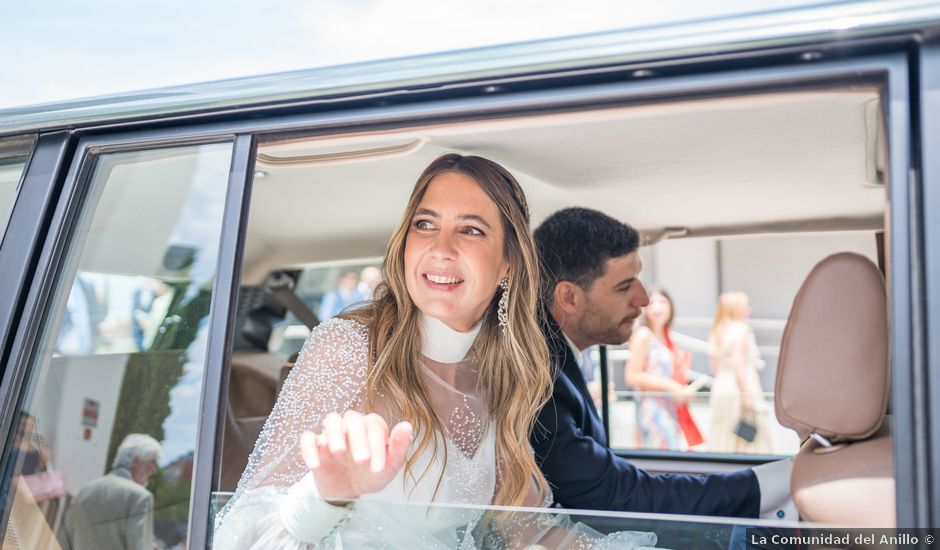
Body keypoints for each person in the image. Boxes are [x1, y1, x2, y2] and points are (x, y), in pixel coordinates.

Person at [214, 155, 657, 549]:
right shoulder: (347, 348)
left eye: (471, 229)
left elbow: (528, 532)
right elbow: (239, 536)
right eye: (425, 224)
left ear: (508, 264)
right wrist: (324, 495)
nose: (441, 248)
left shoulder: (505, 373)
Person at [531, 207, 793, 519]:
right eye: (625, 285)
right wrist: (781, 480)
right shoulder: (540, 382)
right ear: (569, 298)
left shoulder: (559, 360)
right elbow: (616, 494)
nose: (642, 298)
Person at [626, 288, 701, 451]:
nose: (657, 308)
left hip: (669, 408)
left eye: (662, 302)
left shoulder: (666, 337)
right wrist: (672, 386)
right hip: (652, 409)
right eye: (652, 303)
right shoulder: (643, 335)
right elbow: (632, 375)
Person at [66, 433, 161, 550]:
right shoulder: (140, 497)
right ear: (137, 461)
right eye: (152, 462)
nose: (154, 470)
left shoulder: (85, 491)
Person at [708, 291, 774, 454]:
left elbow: (714, 366)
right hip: (740, 387)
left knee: (724, 431)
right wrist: (747, 395)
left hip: (722, 386)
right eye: (746, 306)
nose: (749, 309)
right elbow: (739, 365)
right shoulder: (741, 329)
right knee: (749, 436)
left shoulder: (718, 330)